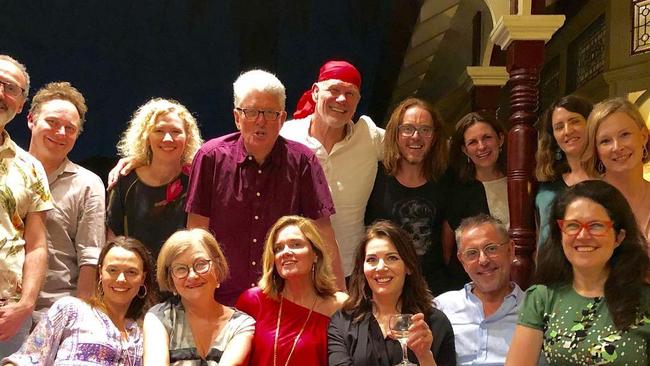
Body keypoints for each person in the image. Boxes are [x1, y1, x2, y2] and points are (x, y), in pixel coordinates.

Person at [185, 69, 343, 305]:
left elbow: (323, 234)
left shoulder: (303, 161)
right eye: (251, 112)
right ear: (237, 117)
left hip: (284, 300)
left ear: (282, 118)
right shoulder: (211, 157)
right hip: (221, 301)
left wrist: (340, 299)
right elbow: (197, 232)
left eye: (270, 113)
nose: (261, 121)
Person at [506, 180, 650, 365]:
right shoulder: (542, 297)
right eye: (573, 225)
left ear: (619, 237)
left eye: (596, 226)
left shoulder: (644, 298)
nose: (583, 236)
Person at [282, 60, 384, 279]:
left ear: (358, 101)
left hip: (351, 269)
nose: (341, 99)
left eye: (350, 93)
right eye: (334, 90)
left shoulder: (369, 136)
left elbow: (413, 148)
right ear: (316, 92)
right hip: (295, 270)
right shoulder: (286, 136)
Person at [1, 236, 157, 365]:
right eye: (113, 270)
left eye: (131, 272)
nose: (121, 279)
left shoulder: (146, 333)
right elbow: (26, 359)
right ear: (101, 273)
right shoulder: (71, 309)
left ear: (143, 278)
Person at [26, 82, 106, 322]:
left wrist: (78, 319)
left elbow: (90, 259)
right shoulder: (6, 170)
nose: (60, 133)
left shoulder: (88, 184)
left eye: (69, 128)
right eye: (52, 122)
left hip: (55, 312)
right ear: (31, 120)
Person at [328, 221, 456, 366]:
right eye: (372, 260)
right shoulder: (342, 322)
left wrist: (424, 356)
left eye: (392, 258)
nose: (381, 267)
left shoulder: (435, 322)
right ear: (362, 269)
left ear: (408, 266)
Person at [236, 215, 348, 366]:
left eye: (296, 244)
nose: (286, 252)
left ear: (315, 254)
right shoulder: (253, 300)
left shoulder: (340, 306)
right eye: (278, 248)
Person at [365, 97, 448, 295]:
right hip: (381, 286)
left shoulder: (446, 181)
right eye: (408, 129)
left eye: (425, 130)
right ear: (395, 133)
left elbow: (449, 245)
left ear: (434, 136)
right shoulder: (374, 177)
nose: (416, 136)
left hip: (433, 290)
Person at [0, 54, 53, 356]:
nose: (1, 93)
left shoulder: (31, 168)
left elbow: (36, 244)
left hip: (7, 316)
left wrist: (26, 305)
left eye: (11, 88)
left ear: (21, 105)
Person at [107, 98, 203, 260]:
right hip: (135, 278)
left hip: (181, 278)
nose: (167, 138)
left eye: (176, 131)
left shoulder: (196, 181)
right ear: (146, 136)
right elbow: (112, 235)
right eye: (159, 131)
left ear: (187, 137)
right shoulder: (125, 180)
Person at [144, 229, 254, 365]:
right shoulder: (159, 317)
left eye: (201, 264)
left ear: (217, 267)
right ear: (170, 278)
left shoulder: (241, 324)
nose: (192, 276)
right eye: (181, 268)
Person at [435, 214, 523, 366]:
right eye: (472, 253)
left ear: (510, 250)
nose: (483, 260)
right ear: (462, 261)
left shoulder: (536, 308)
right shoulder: (441, 307)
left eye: (491, 249)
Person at [443, 111, 508, 291]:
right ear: (464, 149)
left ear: (500, 139)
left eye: (487, 138)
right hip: (473, 286)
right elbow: (449, 251)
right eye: (472, 142)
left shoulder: (520, 182)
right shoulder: (457, 191)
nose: (481, 147)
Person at [582, 97, 650, 242]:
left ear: (643, 136)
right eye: (605, 141)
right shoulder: (584, 204)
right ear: (596, 150)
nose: (617, 147)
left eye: (625, 135)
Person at [535, 95, 593, 247]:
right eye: (559, 127)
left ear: (591, 124)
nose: (567, 131)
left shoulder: (608, 178)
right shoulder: (546, 184)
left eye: (575, 121)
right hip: (551, 268)